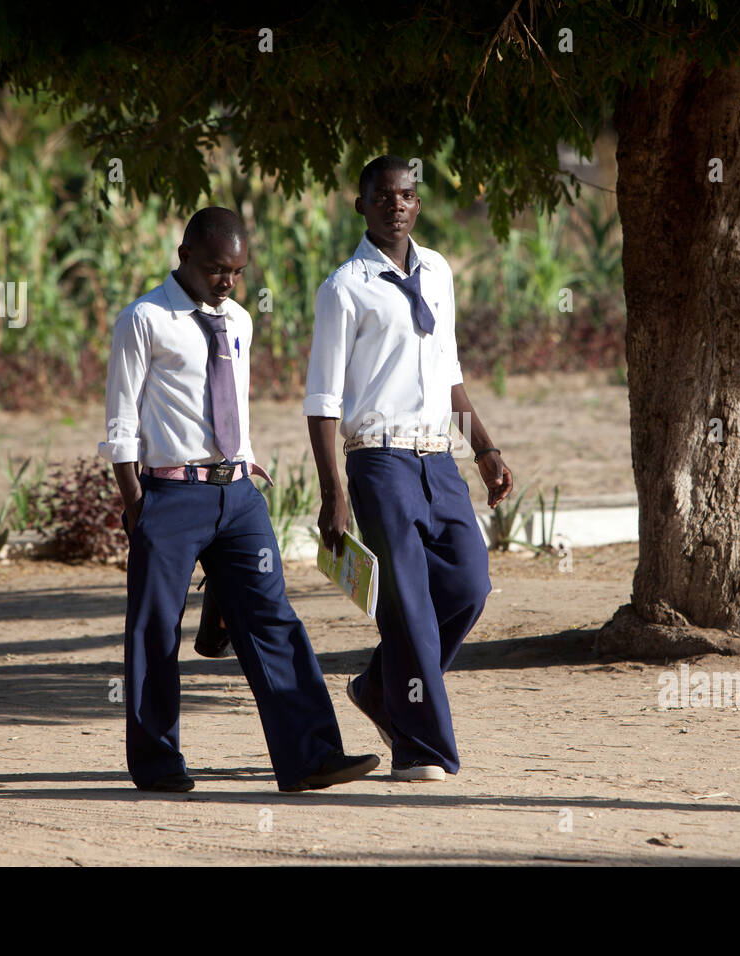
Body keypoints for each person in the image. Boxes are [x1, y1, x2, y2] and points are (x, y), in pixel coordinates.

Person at [99, 206, 379, 793]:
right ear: (185, 256)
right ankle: (157, 763)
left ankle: (311, 758)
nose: (227, 281)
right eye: (216, 269)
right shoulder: (144, 319)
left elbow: (232, 404)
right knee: (154, 628)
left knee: (273, 619)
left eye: (237, 271)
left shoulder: (240, 322)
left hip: (238, 497)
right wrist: (137, 507)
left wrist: (246, 466)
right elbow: (121, 422)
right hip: (168, 497)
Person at [304, 156, 512, 782]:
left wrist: (484, 447)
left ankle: (376, 688)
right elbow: (322, 402)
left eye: (407, 195)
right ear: (361, 205)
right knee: (410, 608)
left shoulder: (438, 272)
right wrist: (333, 493)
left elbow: (449, 373)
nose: (396, 204)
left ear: (418, 204)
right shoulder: (344, 288)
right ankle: (422, 751)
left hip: (438, 457)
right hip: (379, 461)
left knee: (469, 583)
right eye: (383, 195)